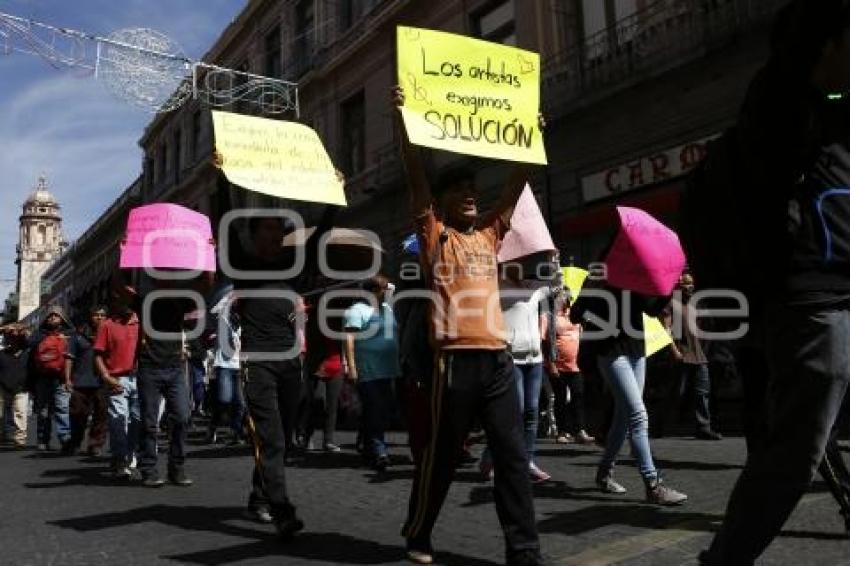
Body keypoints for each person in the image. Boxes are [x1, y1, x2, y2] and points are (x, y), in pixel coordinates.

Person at [700, 2, 850, 562]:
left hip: (830, 295)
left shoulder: (828, 108)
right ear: (827, 45)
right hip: (812, 299)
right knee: (794, 454)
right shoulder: (781, 101)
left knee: (800, 445)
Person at [394, 86, 545, 566]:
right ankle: (418, 533)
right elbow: (417, 180)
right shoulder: (434, 236)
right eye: (458, 190)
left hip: (497, 362)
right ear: (440, 204)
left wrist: (531, 141)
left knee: (512, 457)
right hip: (453, 365)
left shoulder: (489, 233)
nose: (469, 195)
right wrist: (404, 123)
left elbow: (515, 189)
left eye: (472, 190)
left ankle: (523, 551)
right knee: (440, 456)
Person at [571, 284, 688, 506]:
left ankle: (604, 474)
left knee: (623, 419)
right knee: (638, 415)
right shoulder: (596, 279)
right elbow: (576, 313)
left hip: (636, 351)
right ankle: (653, 485)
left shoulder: (634, 278)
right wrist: (603, 321)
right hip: (611, 353)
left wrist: (668, 289)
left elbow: (651, 310)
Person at [481, 266, 552, 483]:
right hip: (512, 358)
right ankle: (492, 455)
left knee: (531, 412)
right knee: (515, 411)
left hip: (535, 359)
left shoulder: (534, 288)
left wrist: (553, 259)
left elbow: (556, 285)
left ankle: (526, 461)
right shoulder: (497, 287)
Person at [136, 279, 203, 488]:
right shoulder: (145, 301)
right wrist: (122, 259)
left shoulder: (182, 301)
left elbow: (203, 290)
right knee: (149, 422)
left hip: (174, 368)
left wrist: (209, 257)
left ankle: (176, 467)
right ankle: (148, 469)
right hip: (149, 367)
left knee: (183, 417)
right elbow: (121, 290)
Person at [343, 275, 400, 471]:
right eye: (383, 288)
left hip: (388, 370)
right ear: (373, 291)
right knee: (376, 409)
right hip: (368, 369)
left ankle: (368, 443)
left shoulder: (387, 309)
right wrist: (351, 368)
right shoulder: (356, 310)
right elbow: (349, 339)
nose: (387, 291)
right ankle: (379, 450)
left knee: (382, 410)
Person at [664, 273, 722, 440]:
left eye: (692, 284)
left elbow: (706, 327)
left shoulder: (697, 303)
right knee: (677, 392)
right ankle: (658, 425)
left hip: (699, 355)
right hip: (682, 353)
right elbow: (665, 329)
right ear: (679, 285)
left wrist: (707, 347)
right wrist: (674, 351)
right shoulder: (671, 303)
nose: (690, 287)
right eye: (686, 284)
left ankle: (703, 427)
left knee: (702, 392)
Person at [94, 276, 141, 479]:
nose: (126, 302)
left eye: (131, 298)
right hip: (117, 379)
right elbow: (98, 354)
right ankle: (119, 459)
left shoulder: (142, 324)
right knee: (117, 420)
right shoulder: (107, 325)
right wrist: (106, 376)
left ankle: (130, 455)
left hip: (141, 379)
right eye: (122, 298)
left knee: (138, 421)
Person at [546, 292, 594, 445]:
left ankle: (580, 430)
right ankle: (562, 431)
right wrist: (551, 364)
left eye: (567, 297)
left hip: (576, 364)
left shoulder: (575, 314)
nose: (566, 299)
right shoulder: (551, 316)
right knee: (560, 399)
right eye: (562, 297)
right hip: (558, 365)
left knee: (578, 396)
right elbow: (546, 340)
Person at [66, 307, 109, 456]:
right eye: (96, 314)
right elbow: (69, 358)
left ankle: (95, 445)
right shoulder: (78, 335)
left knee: (101, 415)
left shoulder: (110, 333)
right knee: (78, 414)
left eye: (102, 315)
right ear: (90, 317)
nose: (99, 317)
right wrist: (67, 378)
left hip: (102, 381)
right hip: (81, 381)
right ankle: (76, 441)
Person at [31, 305, 72, 452]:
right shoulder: (39, 334)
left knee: (63, 409)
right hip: (43, 378)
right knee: (43, 410)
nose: (52, 317)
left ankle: (65, 438)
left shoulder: (70, 334)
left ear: (62, 318)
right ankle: (42, 440)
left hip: (61, 378)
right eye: (50, 316)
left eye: (56, 315)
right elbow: (29, 343)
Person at [206, 293, 245, 446]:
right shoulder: (223, 318)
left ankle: (237, 432)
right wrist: (230, 298)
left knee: (241, 403)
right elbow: (213, 311)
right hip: (224, 365)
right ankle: (213, 425)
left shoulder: (244, 322)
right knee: (224, 400)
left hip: (239, 365)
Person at [0, 324, 31, 449]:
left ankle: (20, 440)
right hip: (2, 387)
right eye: (10, 337)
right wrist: (3, 329)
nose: (13, 340)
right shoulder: (2, 353)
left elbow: (32, 337)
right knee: (0, 415)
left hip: (21, 388)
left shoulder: (27, 352)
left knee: (20, 413)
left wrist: (20, 329)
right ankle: (1, 434)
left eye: (15, 337)